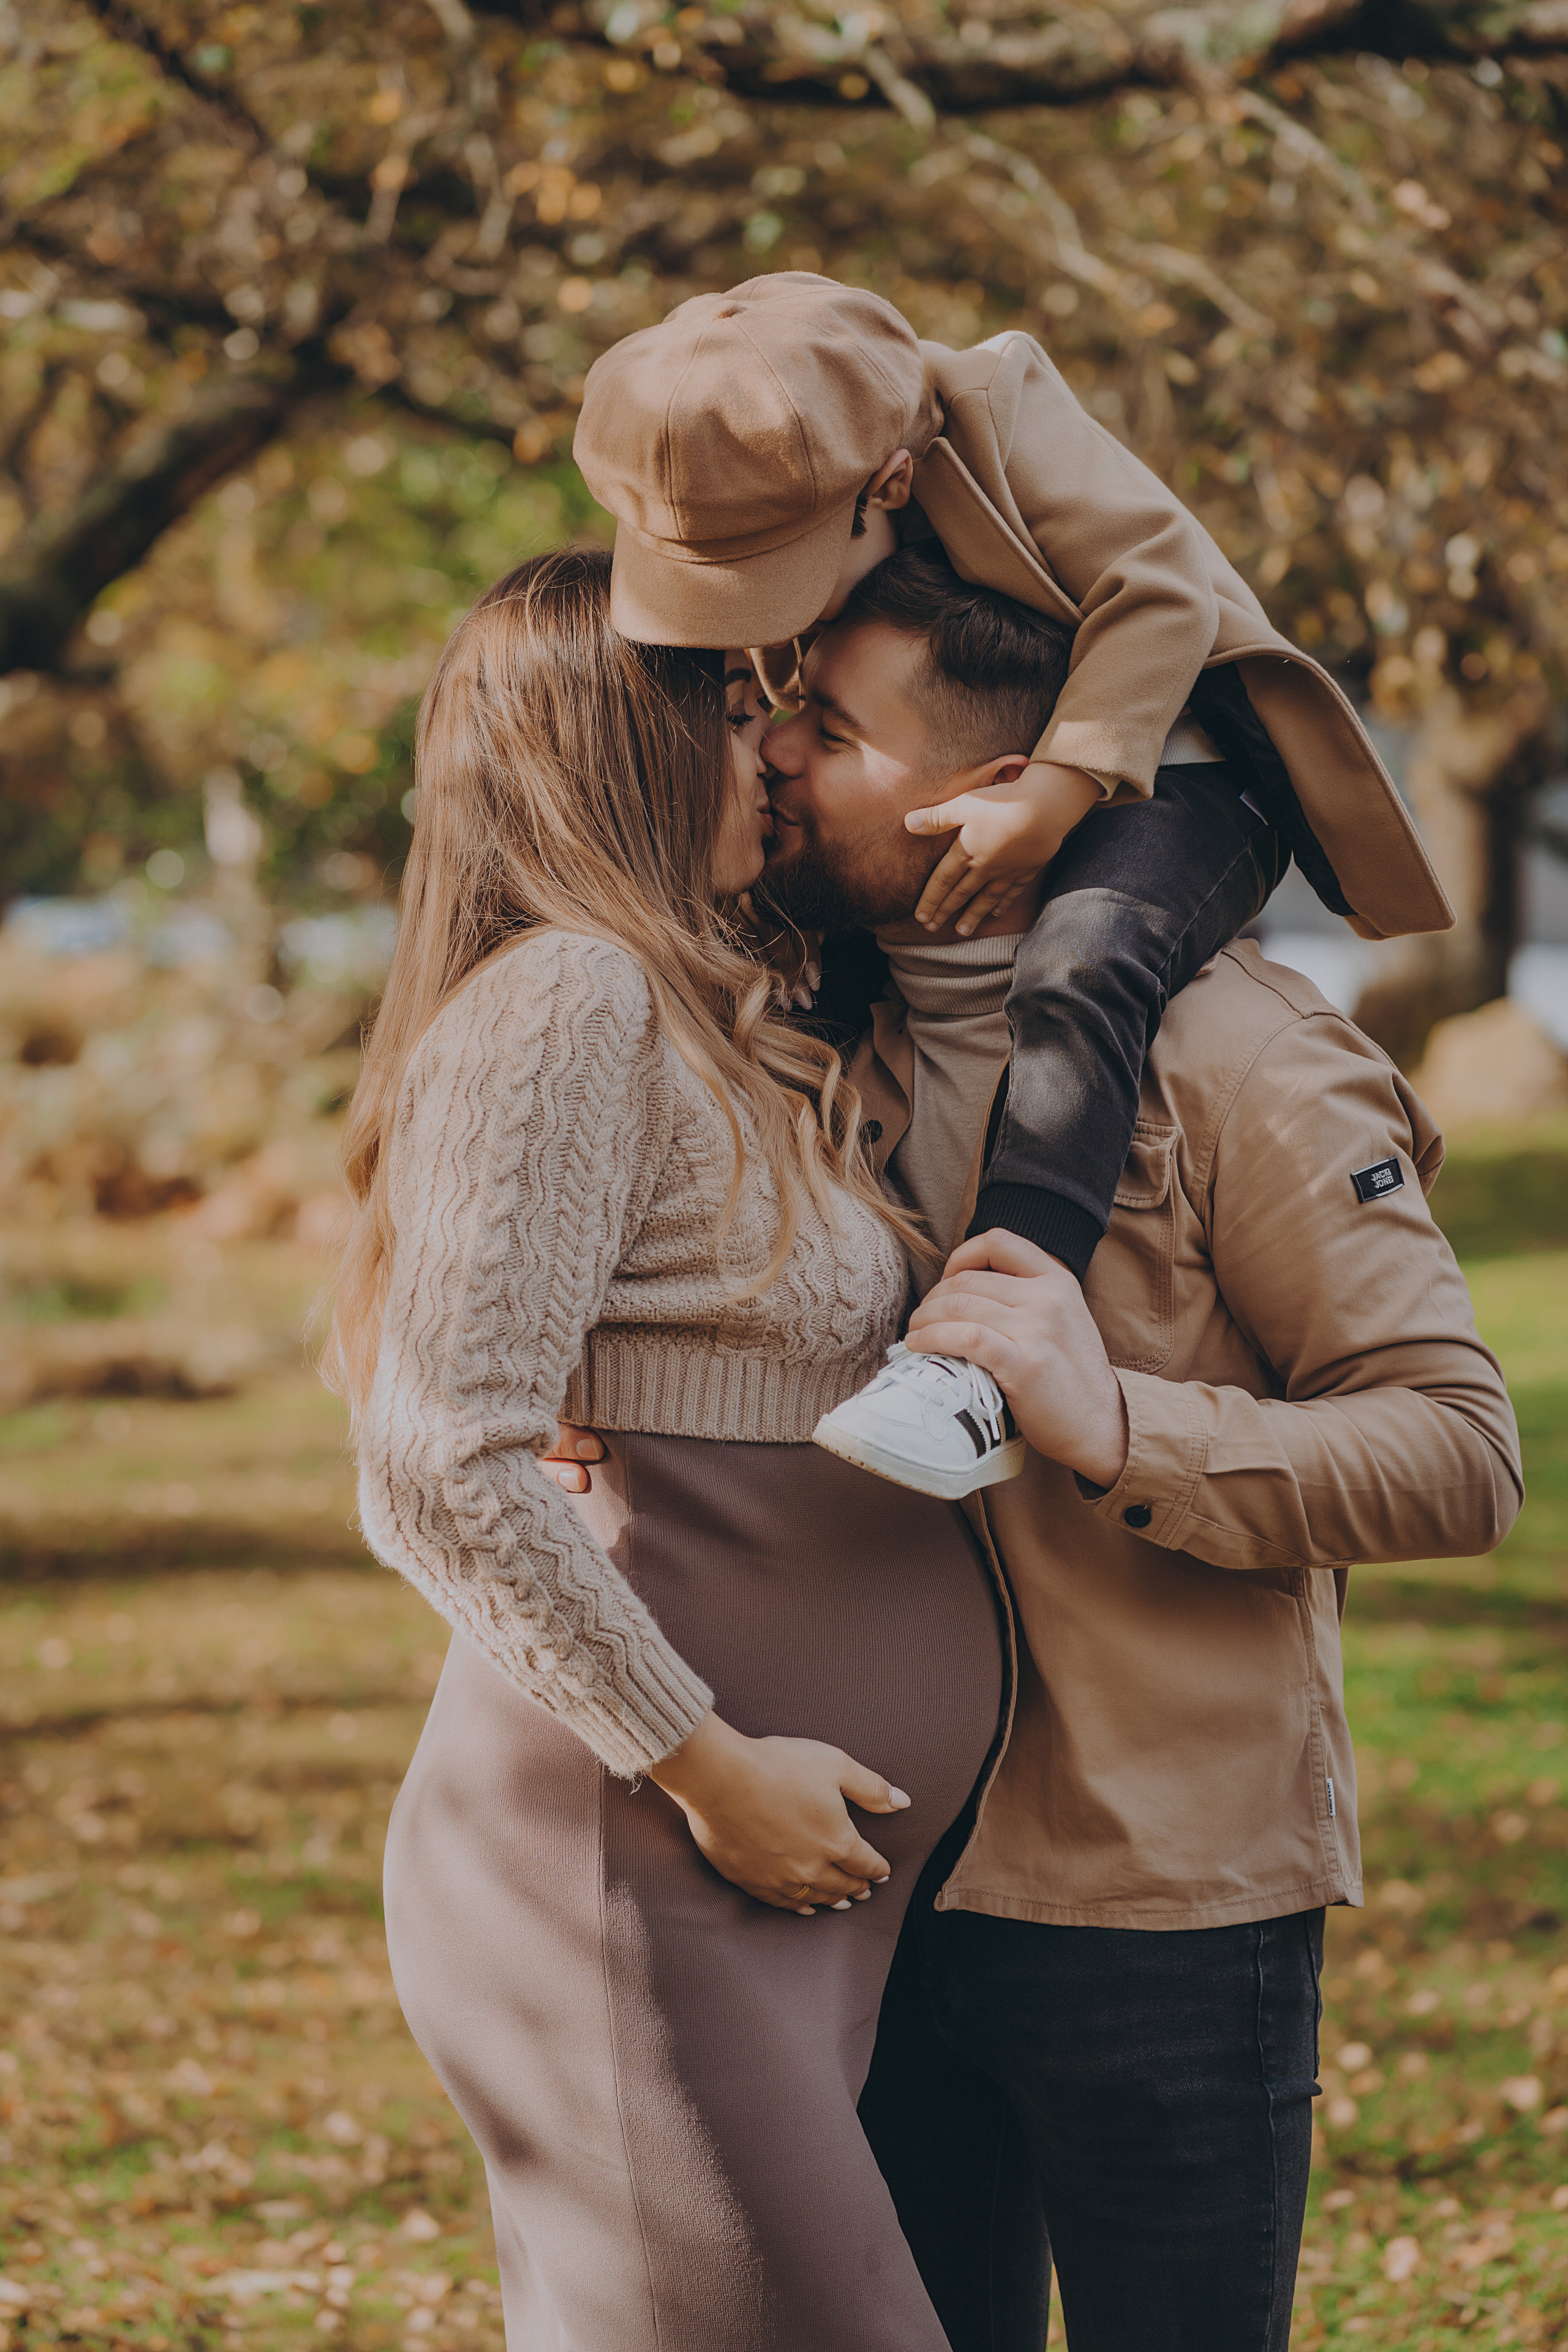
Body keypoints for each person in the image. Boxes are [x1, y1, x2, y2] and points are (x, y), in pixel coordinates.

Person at [744, 546, 1526, 2350]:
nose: (776, 754)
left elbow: (1460, 1452)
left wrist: (1114, 1424)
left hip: (1159, 1909)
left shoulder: (1245, 1058)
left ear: (981, 799)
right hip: (862, 1877)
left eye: (830, 729)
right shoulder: (794, 1044)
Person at [328, 547, 1006, 2351]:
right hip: (642, 1860)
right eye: (730, 705)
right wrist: (705, 1766)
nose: (776, 742)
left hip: (756, 1880)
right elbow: (439, 1461)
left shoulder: (708, 1010)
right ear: (618, 745)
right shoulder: (571, 1001)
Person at [574, 271, 1455, 1499]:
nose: (770, 742)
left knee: (1085, 959)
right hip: (887, 1673)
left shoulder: (998, 410)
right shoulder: (870, 1031)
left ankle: (995, 1320)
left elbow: (1158, 595)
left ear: (879, 486)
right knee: (795, 976)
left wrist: (1053, 793)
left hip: (1176, 762)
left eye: (818, 727)